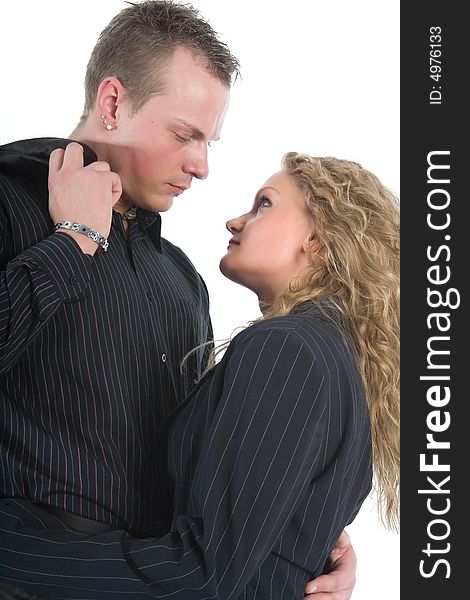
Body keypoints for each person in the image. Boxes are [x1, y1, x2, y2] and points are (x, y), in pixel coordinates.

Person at [0, 1, 357, 598]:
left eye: (210, 141)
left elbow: (207, 461)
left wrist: (301, 550)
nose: (202, 166)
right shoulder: (10, 201)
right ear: (113, 104)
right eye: (184, 135)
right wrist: (73, 243)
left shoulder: (182, 279)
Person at [0, 151, 400, 599]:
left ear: (319, 239)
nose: (235, 221)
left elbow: (201, 573)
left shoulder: (287, 348)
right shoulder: (335, 362)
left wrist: (14, 551)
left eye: (264, 204)